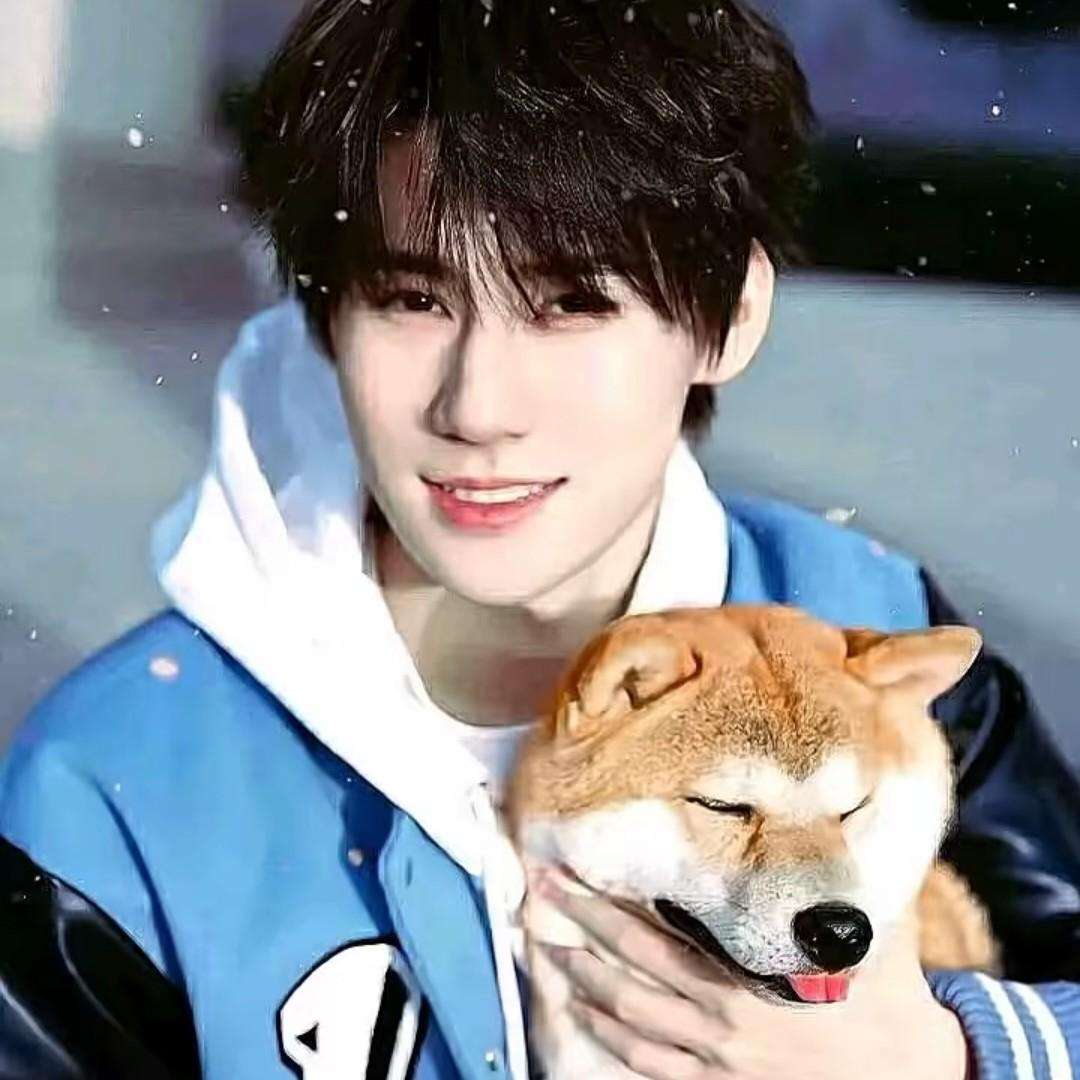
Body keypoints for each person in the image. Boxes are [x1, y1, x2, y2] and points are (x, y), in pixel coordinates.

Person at [1, 1, 1077, 1077]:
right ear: (327, 314)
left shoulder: (873, 639)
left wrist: (950, 1056)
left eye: (572, 303)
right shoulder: (123, 777)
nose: (479, 405)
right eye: (412, 299)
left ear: (730, 316)